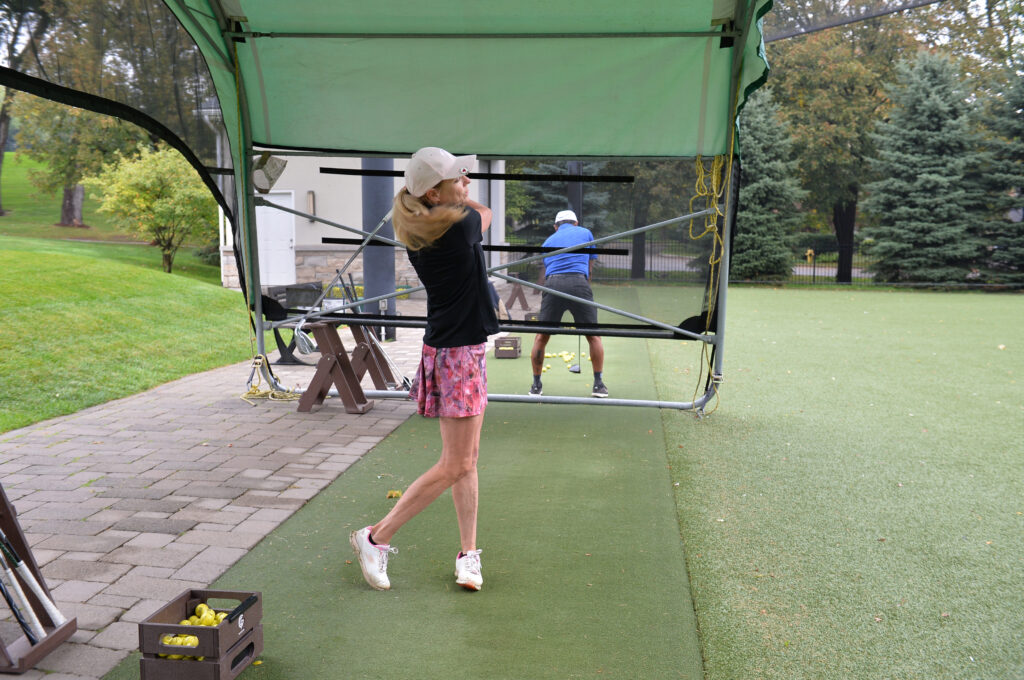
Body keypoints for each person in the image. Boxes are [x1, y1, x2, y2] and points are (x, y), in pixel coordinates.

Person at [350, 147, 498, 592]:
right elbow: (486, 213)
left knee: (467, 461)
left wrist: (446, 190)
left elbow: (464, 206)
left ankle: (468, 555)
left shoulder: (425, 225)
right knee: (456, 464)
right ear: (434, 193)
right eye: (458, 177)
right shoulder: (461, 224)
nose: (467, 181)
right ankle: (375, 536)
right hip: (457, 355)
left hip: (459, 350)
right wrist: (460, 197)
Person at [529, 209, 607, 398]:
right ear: (576, 223)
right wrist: (583, 285)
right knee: (594, 336)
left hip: (553, 284)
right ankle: (598, 385)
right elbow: (590, 265)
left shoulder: (547, 242)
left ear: (556, 227)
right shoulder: (586, 233)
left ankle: (536, 386)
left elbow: (549, 268)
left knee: (541, 336)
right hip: (579, 281)